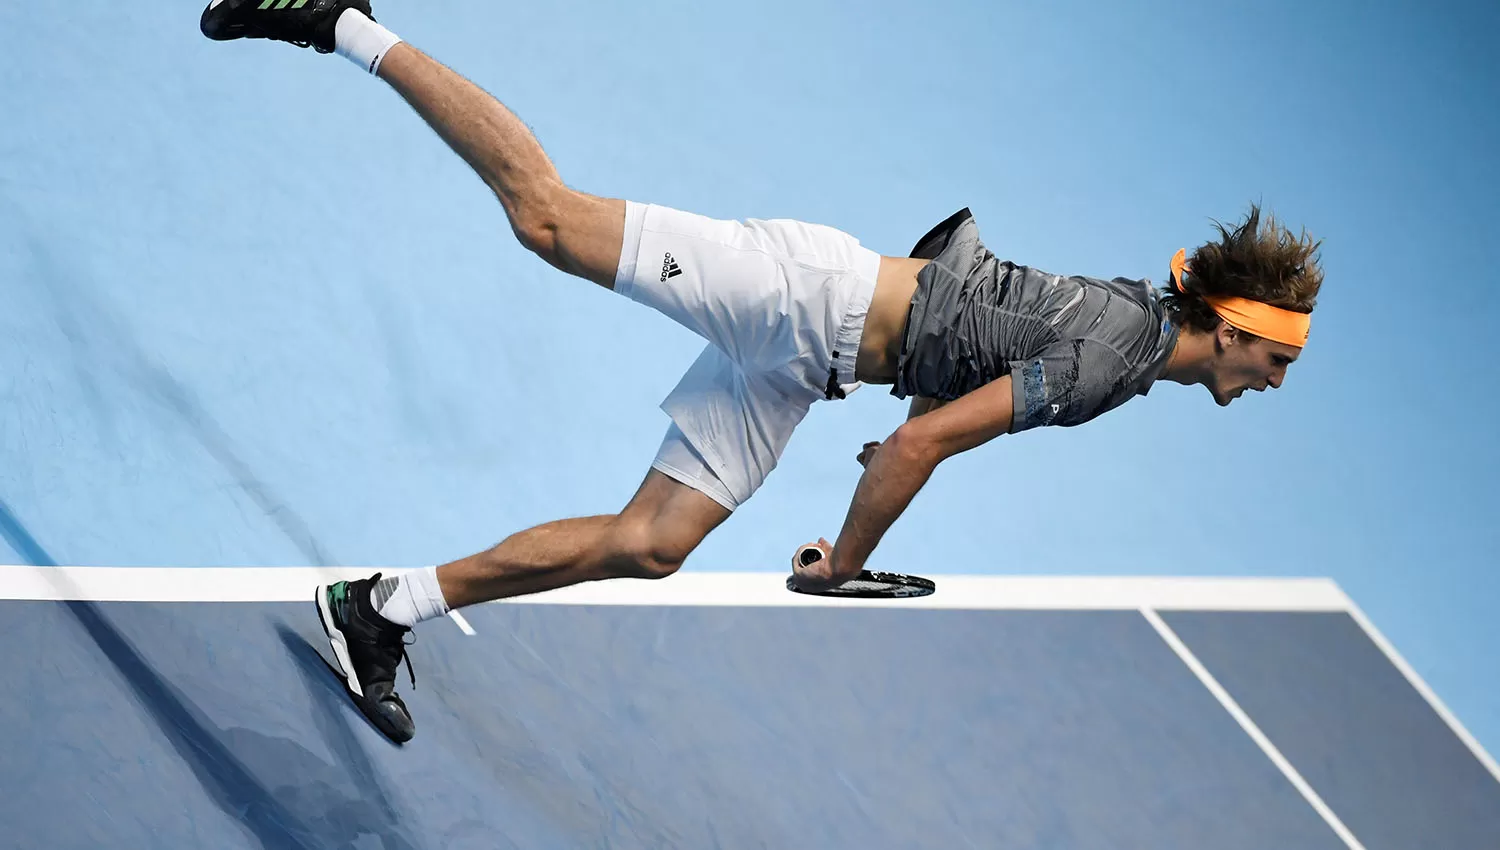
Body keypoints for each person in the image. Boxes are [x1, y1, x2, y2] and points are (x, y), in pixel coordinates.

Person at [200, 0, 1325, 743]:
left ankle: (380, 608)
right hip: (799, 292)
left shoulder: (1125, 335)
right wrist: (845, 562)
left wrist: (887, 452)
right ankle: (341, 20)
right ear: (1231, 330)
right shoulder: (1116, 357)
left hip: (811, 360)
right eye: (1276, 360)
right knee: (543, 217)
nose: (1274, 382)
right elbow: (921, 442)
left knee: (652, 546)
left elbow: (955, 342)